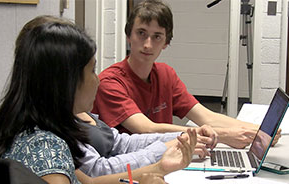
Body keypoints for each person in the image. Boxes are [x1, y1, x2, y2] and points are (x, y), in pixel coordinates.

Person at [0, 16, 197, 184]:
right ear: (66, 82)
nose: (97, 80)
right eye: (91, 71)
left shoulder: (37, 128)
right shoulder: (44, 145)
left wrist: (159, 167)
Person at [92, 0, 281, 149]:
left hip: (167, 155)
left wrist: (259, 130)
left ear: (166, 42)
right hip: (132, 169)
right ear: (128, 36)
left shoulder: (165, 74)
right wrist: (221, 135)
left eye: (157, 36)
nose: (148, 44)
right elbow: (146, 129)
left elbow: (206, 116)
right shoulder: (110, 82)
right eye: (141, 33)